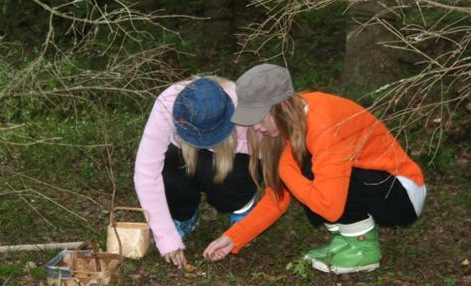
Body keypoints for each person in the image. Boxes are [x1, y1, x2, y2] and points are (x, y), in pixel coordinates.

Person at [203, 64, 426, 274]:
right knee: (304, 171)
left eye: (259, 118)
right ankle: (345, 240)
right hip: (375, 186)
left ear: (281, 106)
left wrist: (285, 169)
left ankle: (364, 249)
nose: (256, 128)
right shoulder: (293, 121)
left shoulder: (323, 125)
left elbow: (330, 208)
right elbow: (277, 197)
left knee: (307, 170)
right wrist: (233, 238)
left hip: (400, 194)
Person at [134, 76, 257, 270]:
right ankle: (184, 216)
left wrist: (246, 229)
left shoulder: (244, 109)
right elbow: (146, 172)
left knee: (233, 174)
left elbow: (270, 162)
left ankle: (241, 209)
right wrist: (166, 237)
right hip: (183, 156)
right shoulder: (167, 104)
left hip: (231, 160)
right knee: (170, 162)